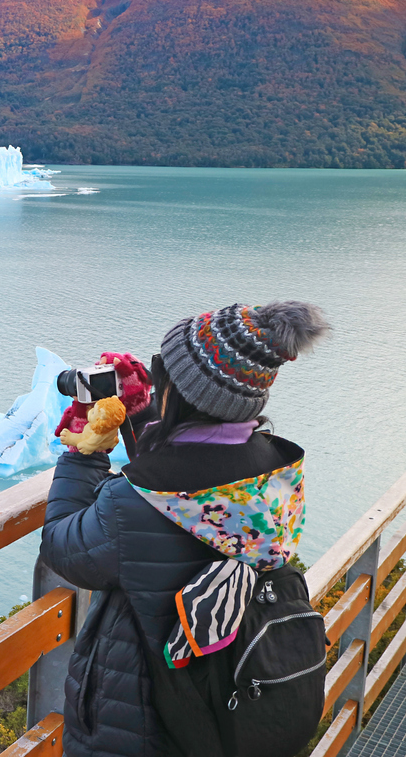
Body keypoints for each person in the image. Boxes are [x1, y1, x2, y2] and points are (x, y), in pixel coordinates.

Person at [40, 301, 330, 757]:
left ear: (177, 389)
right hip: (229, 704)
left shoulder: (132, 503)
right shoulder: (274, 470)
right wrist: (141, 415)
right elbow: (186, 480)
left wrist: (84, 450)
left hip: (145, 723)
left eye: (162, 375)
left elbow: (61, 545)